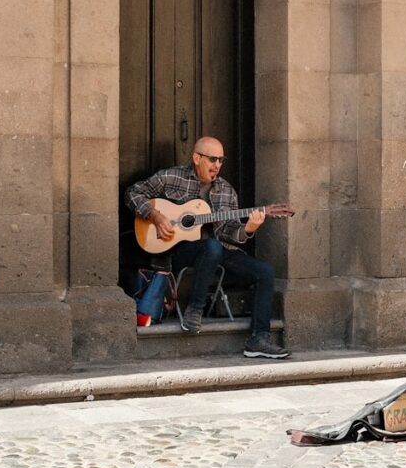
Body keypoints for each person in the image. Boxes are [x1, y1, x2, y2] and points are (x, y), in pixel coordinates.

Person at [124, 136, 290, 359]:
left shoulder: (226, 190)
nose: (217, 165)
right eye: (213, 159)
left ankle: (258, 339)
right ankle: (195, 309)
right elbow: (132, 193)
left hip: (219, 251)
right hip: (180, 252)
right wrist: (154, 216)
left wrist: (248, 229)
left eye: (221, 160)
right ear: (196, 158)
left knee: (265, 271)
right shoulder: (171, 177)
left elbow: (228, 233)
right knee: (210, 247)